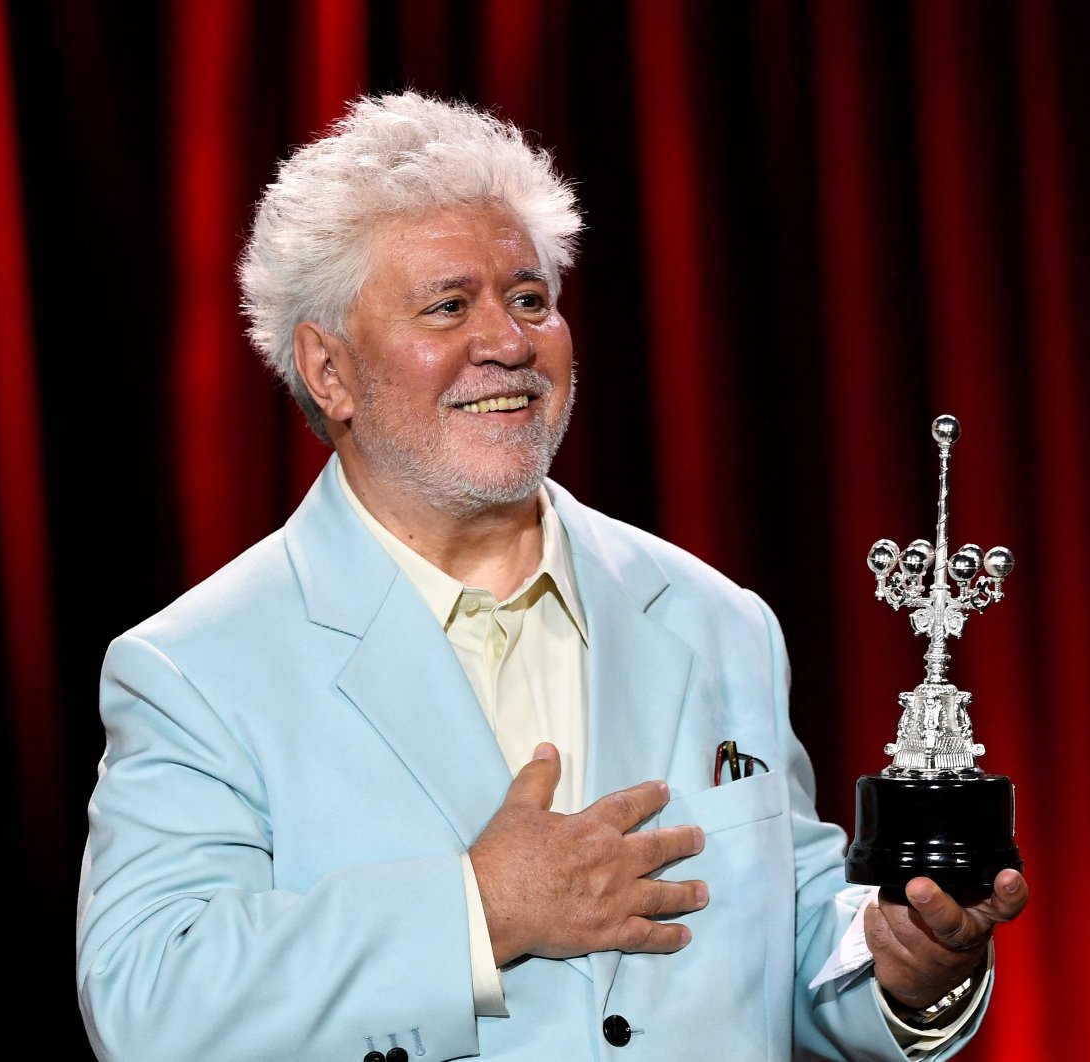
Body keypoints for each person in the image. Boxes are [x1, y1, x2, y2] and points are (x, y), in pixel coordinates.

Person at [75, 92, 1028, 1062]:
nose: (509, 343)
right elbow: (152, 1003)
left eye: (529, 298)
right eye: (449, 305)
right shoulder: (198, 667)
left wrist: (905, 965)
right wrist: (478, 910)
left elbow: (789, 947)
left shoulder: (716, 619)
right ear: (329, 372)